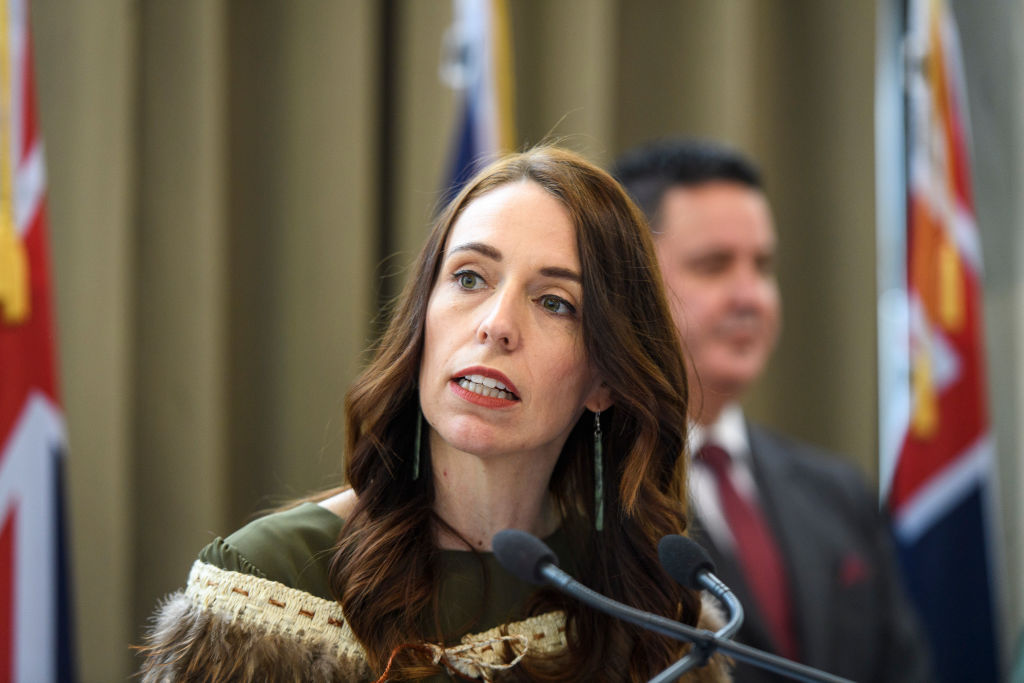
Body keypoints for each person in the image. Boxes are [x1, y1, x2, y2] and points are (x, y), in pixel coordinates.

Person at [138, 146, 731, 682]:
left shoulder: (643, 609)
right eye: (469, 277)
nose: (496, 325)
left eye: (555, 302)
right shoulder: (269, 584)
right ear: (423, 318)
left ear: (604, 379)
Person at [613, 139, 933, 683]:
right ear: (629, 284)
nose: (751, 295)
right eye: (714, 266)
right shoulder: (591, 496)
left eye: (762, 266)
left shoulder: (839, 491)